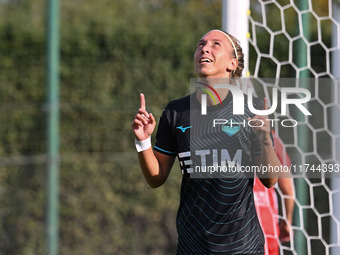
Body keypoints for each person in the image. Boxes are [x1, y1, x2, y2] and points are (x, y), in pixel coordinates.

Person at [132, 29, 283, 254]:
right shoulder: (176, 111)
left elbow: (270, 179)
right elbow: (156, 178)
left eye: (215, 44)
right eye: (201, 44)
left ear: (232, 63)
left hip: (242, 247)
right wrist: (143, 142)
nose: (204, 48)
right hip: (192, 246)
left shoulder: (251, 109)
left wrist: (264, 139)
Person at [254, 131, 294, 255]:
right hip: (266, 224)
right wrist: (287, 220)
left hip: (231, 224)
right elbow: (287, 185)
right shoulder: (267, 134)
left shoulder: (213, 133)